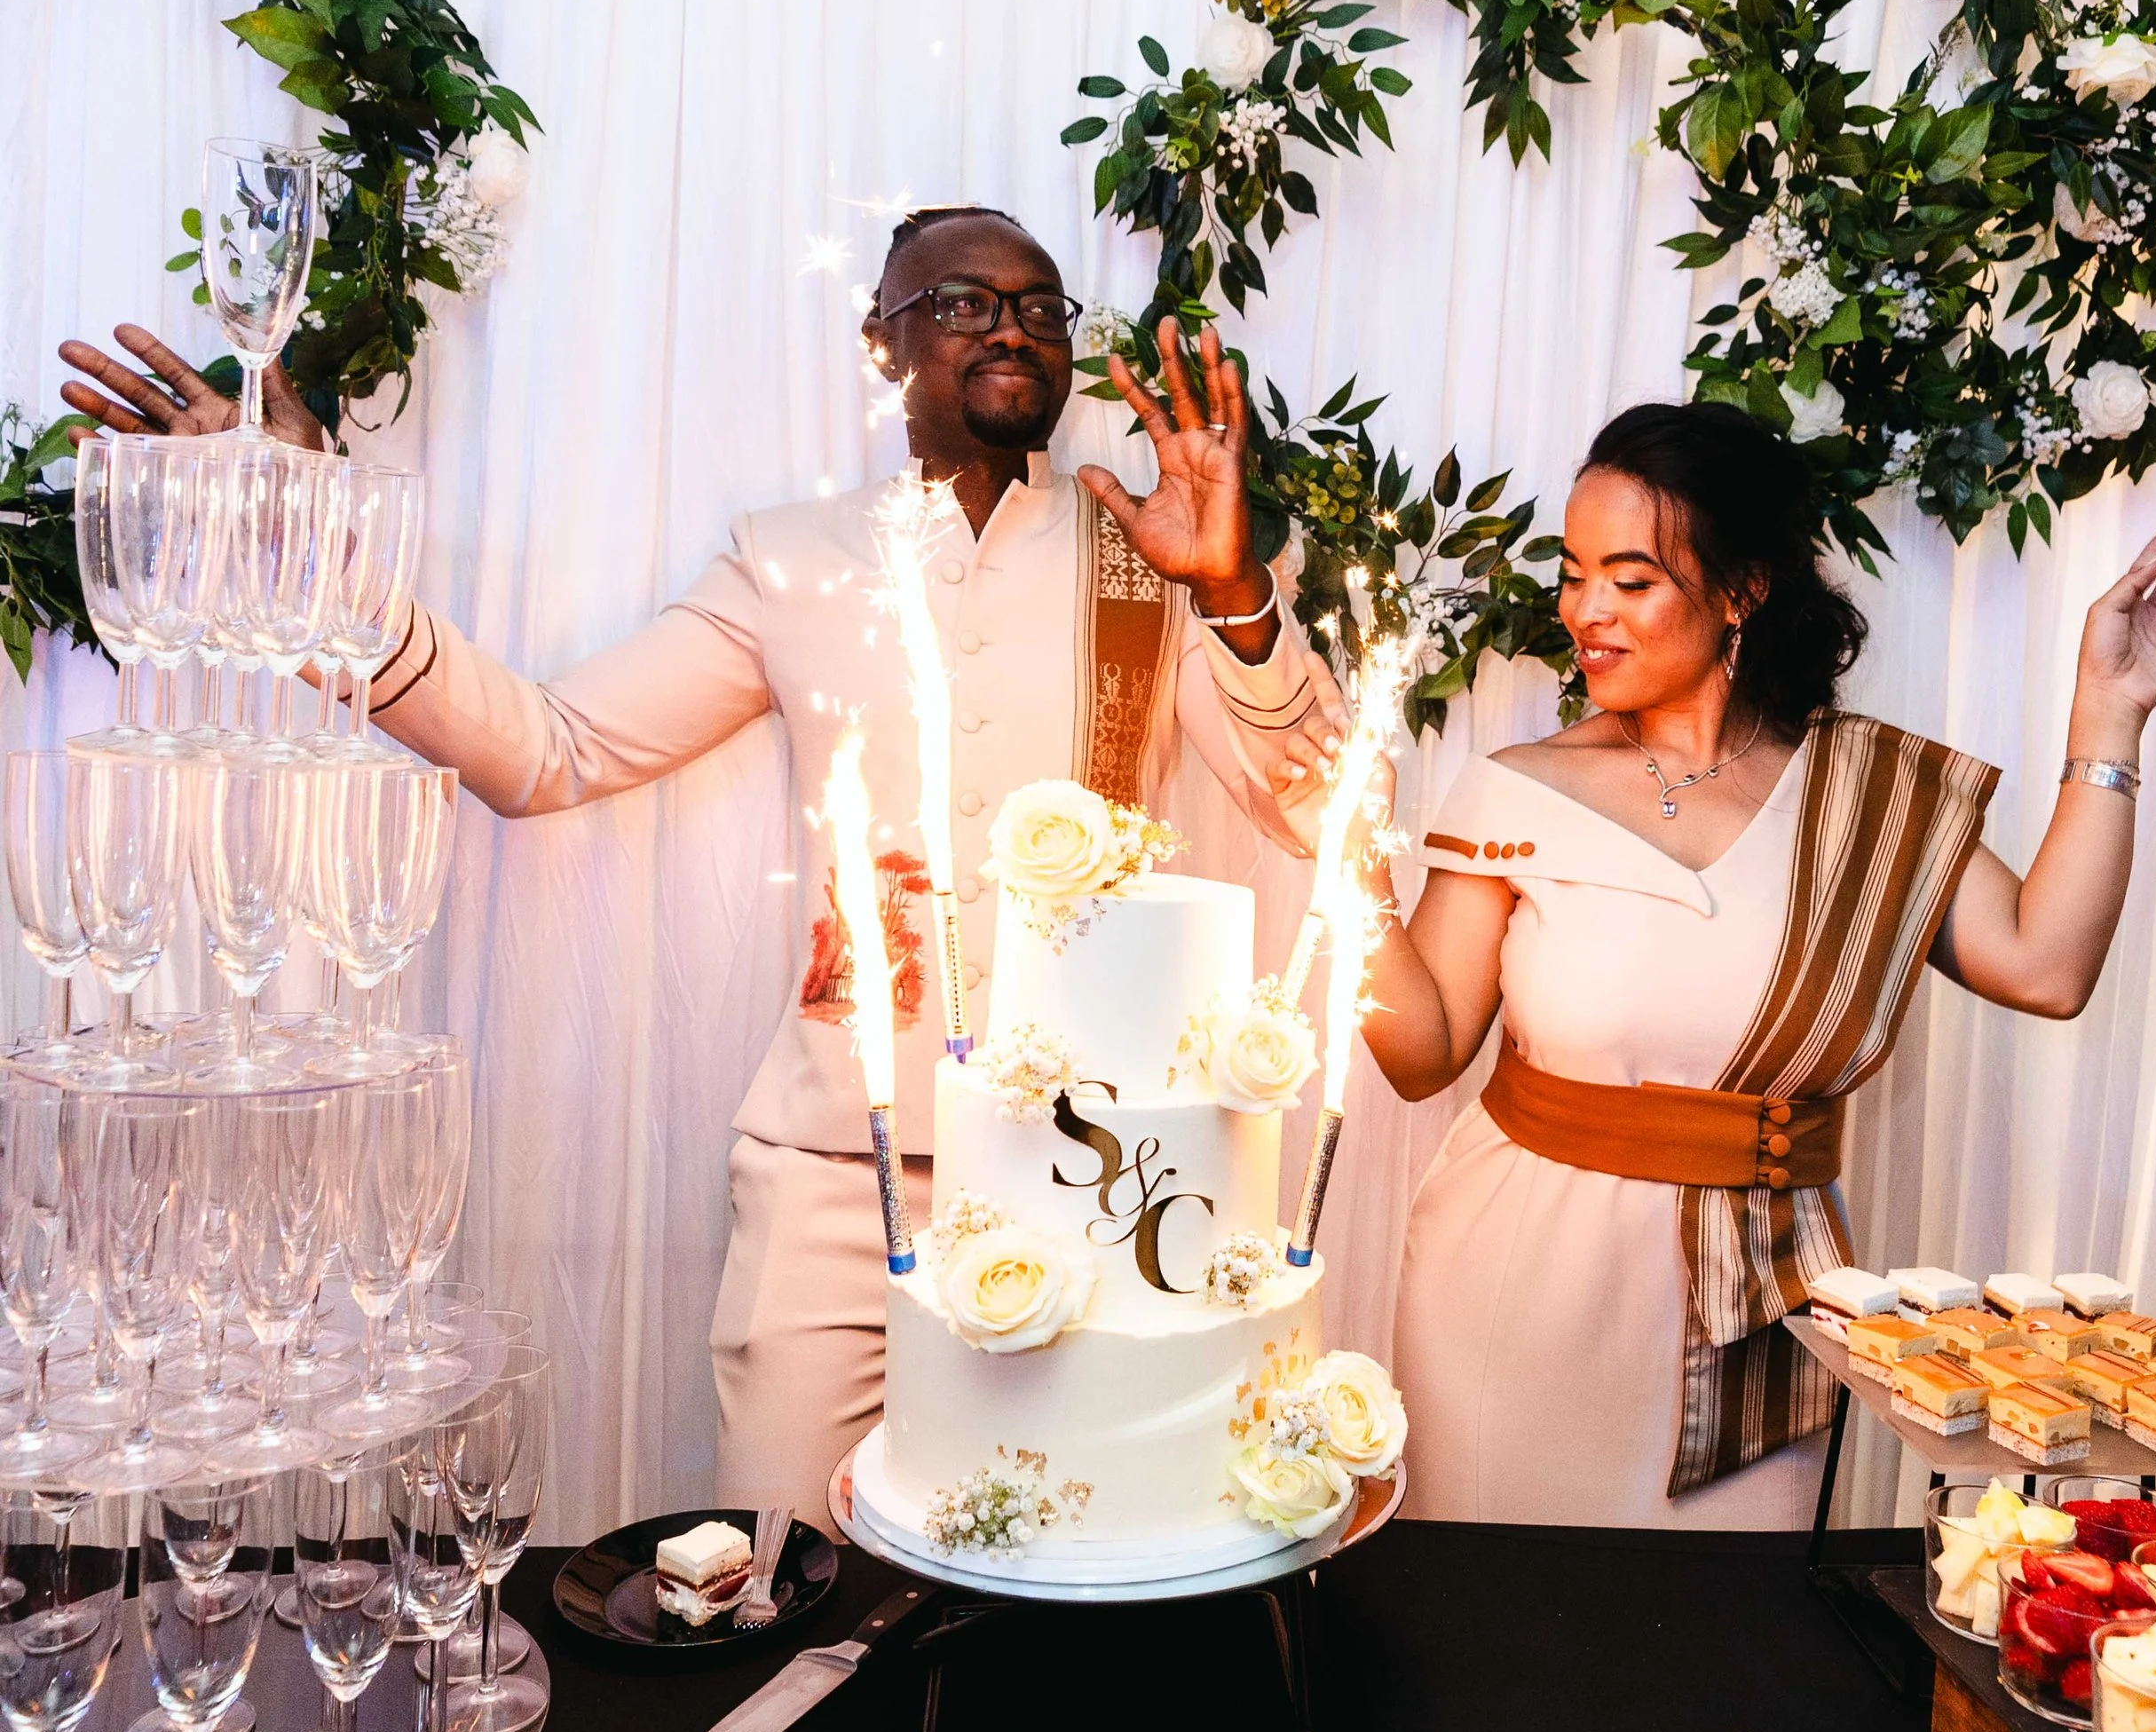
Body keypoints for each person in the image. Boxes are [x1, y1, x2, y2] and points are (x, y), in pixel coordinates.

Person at [59, 210, 1340, 1533]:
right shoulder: (791, 554)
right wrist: (311, 544)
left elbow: (1322, 815)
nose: (1012, 324)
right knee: (775, 1574)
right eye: (962, 300)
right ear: (881, 342)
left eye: (1042, 306)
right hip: (838, 1171)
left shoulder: (1162, 550)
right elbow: (550, 751)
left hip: (1100, 1169)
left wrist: (1240, 596)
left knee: (1075, 1569)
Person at [1360, 399, 2156, 1529]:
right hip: (1513, 1292)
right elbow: (1421, 1056)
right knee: (1500, 1634)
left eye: (1630, 579)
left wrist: (2110, 713)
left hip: (1766, 1301)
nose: (1586, 614)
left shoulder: (1867, 796)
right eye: (1573, 575)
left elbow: (2046, 969)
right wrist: (1352, 868)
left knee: (1737, 1651)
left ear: (1741, 590)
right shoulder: (1514, 786)